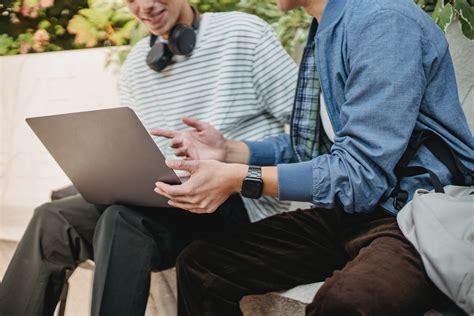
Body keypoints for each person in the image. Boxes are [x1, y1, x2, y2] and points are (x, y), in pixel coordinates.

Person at [152, 0, 474, 315]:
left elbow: (358, 175)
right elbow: (317, 146)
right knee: (202, 266)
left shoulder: (382, 20)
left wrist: (241, 179)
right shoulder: (327, 27)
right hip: (353, 211)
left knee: (345, 303)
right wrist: (229, 152)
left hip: (414, 215)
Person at [0, 0, 297, 315]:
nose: (145, 5)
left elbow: (308, 138)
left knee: (122, 219)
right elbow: (139, 151)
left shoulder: (242, 32)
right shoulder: (136, 66)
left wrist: (230, 149)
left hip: (238, 198)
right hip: (165, 199)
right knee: (52, 217)